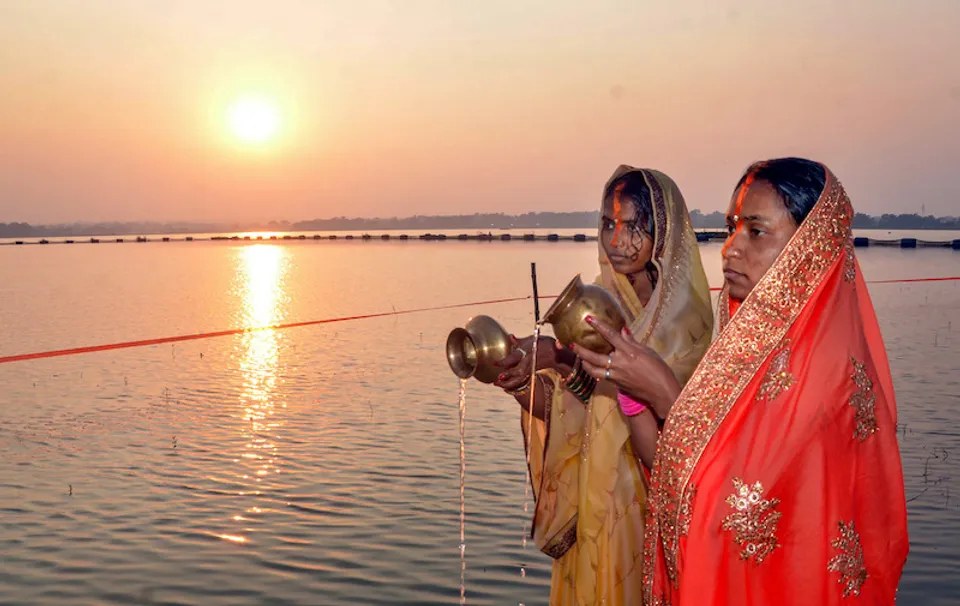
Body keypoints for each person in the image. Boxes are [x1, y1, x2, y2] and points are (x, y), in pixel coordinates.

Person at [574, 158, 909, 605]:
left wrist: (667, 396)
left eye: (756, 231)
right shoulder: (753, 354)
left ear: (809, 250)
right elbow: (674, 470)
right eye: (733, 227)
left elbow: (735, 515)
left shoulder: (827, 379)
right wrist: (632, 391)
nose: (729, 248)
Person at [495, 166, 713, 605]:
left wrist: (569, 363)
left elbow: (692, 434)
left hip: (650, 510)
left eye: (633, 227)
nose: (617, 242)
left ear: (664, 232)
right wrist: (525, 378)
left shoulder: (689, 325)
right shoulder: (592, 307)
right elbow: (579, 412)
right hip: (597, 507)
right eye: (608, 225)